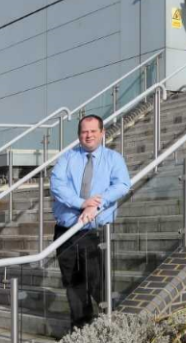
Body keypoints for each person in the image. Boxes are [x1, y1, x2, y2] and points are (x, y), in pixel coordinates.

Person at [50, 114, 131, 330]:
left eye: (93, 131)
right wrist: (82, 202)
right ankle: (81, 330)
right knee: (73, 285)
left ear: (102, 133)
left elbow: (122, 185)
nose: (89, 135)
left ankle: (113, 327)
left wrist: (97, 204)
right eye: (84, 132)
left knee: (97, 283)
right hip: (66, 232)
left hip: (95, 234)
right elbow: (57, 185)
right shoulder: (67, 158)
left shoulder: (113, 159)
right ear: (79, 135)